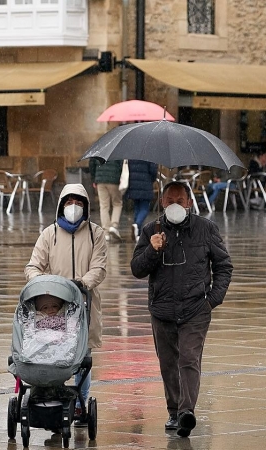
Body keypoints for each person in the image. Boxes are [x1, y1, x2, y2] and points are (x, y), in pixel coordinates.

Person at [130, 181, 233, 437]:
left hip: (196, 308)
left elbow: (223, 265)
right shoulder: (150, 231)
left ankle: (187, 412)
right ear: (162, 202)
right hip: (162, 310)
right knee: (168, 363)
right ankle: (174, 411)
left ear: (189, 202)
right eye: (169, 199)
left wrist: (212, 300)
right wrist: (152, 251)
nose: (174, 204)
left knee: (188, 359)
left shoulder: (206, 229)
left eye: (180, 199)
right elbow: (137, 269)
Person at [25, 183, 107, 425]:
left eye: (79, 202)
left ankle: (81, 403)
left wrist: (81, 283)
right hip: (54, 306)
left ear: (86, 206)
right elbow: (33, 266)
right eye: (70, 202)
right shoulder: (49, 234)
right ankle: (55, 400)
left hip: (84, 303)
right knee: (55, 354)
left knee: (83, 355)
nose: (74, 207)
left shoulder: (96, 234)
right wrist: (43, 284)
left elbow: (99, 268)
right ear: (62, 205)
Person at [89, 158, 124, 241]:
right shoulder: (116, 148)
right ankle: (114, 226)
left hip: (100, 180)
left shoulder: (98, 148)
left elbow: (91, 165)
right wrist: (119, 176)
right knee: (117, 203)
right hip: (114, 180)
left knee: (104, 206)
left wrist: (94, 178)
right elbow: (120, 165)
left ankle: (106, 232)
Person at [125, 160, 159, 242]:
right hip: (145, 183)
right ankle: (137, 225)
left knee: (137, 208)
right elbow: (153, 170)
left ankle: (138, 233)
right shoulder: (149, 155)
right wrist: (153, 178)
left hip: (133, 184)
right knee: (144, 209)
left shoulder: (132, 154)